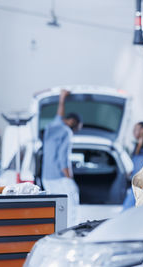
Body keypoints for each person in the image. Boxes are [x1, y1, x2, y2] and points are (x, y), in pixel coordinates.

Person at [41, 89, 83, 226]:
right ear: (72, 122)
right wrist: (69, 176)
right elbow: (62, 157)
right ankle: (69, 231)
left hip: (46, 176)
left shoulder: (52, 127)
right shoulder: (66, 131)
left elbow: (59, 114)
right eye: (76, 127)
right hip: (59, 176)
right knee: (70, 207)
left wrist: (62, 98)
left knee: (55, 207)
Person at [122, 121, 143, 210]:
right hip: (135, 183)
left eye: (135, 129)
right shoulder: (136, 147)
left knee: (128, 210)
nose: (133, 132)